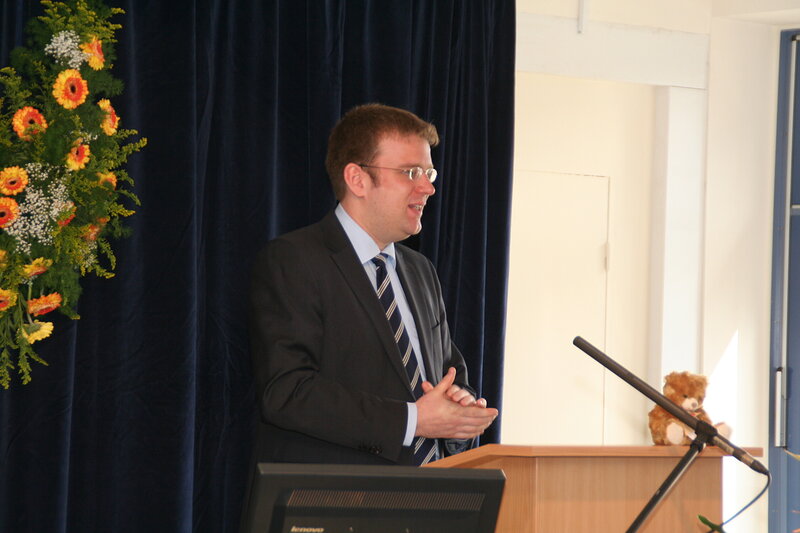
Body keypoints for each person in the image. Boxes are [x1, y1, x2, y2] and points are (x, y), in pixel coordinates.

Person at [249, 103, 498, 466]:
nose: (427, 188)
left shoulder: (421, 271)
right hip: (335, 504)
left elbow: (449, 371)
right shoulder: (294, 260)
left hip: (426, 502)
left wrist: (458, 407)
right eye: (411, 172)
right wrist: (415, 420)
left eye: (429, 172)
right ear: (357, 179)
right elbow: (288, 392)